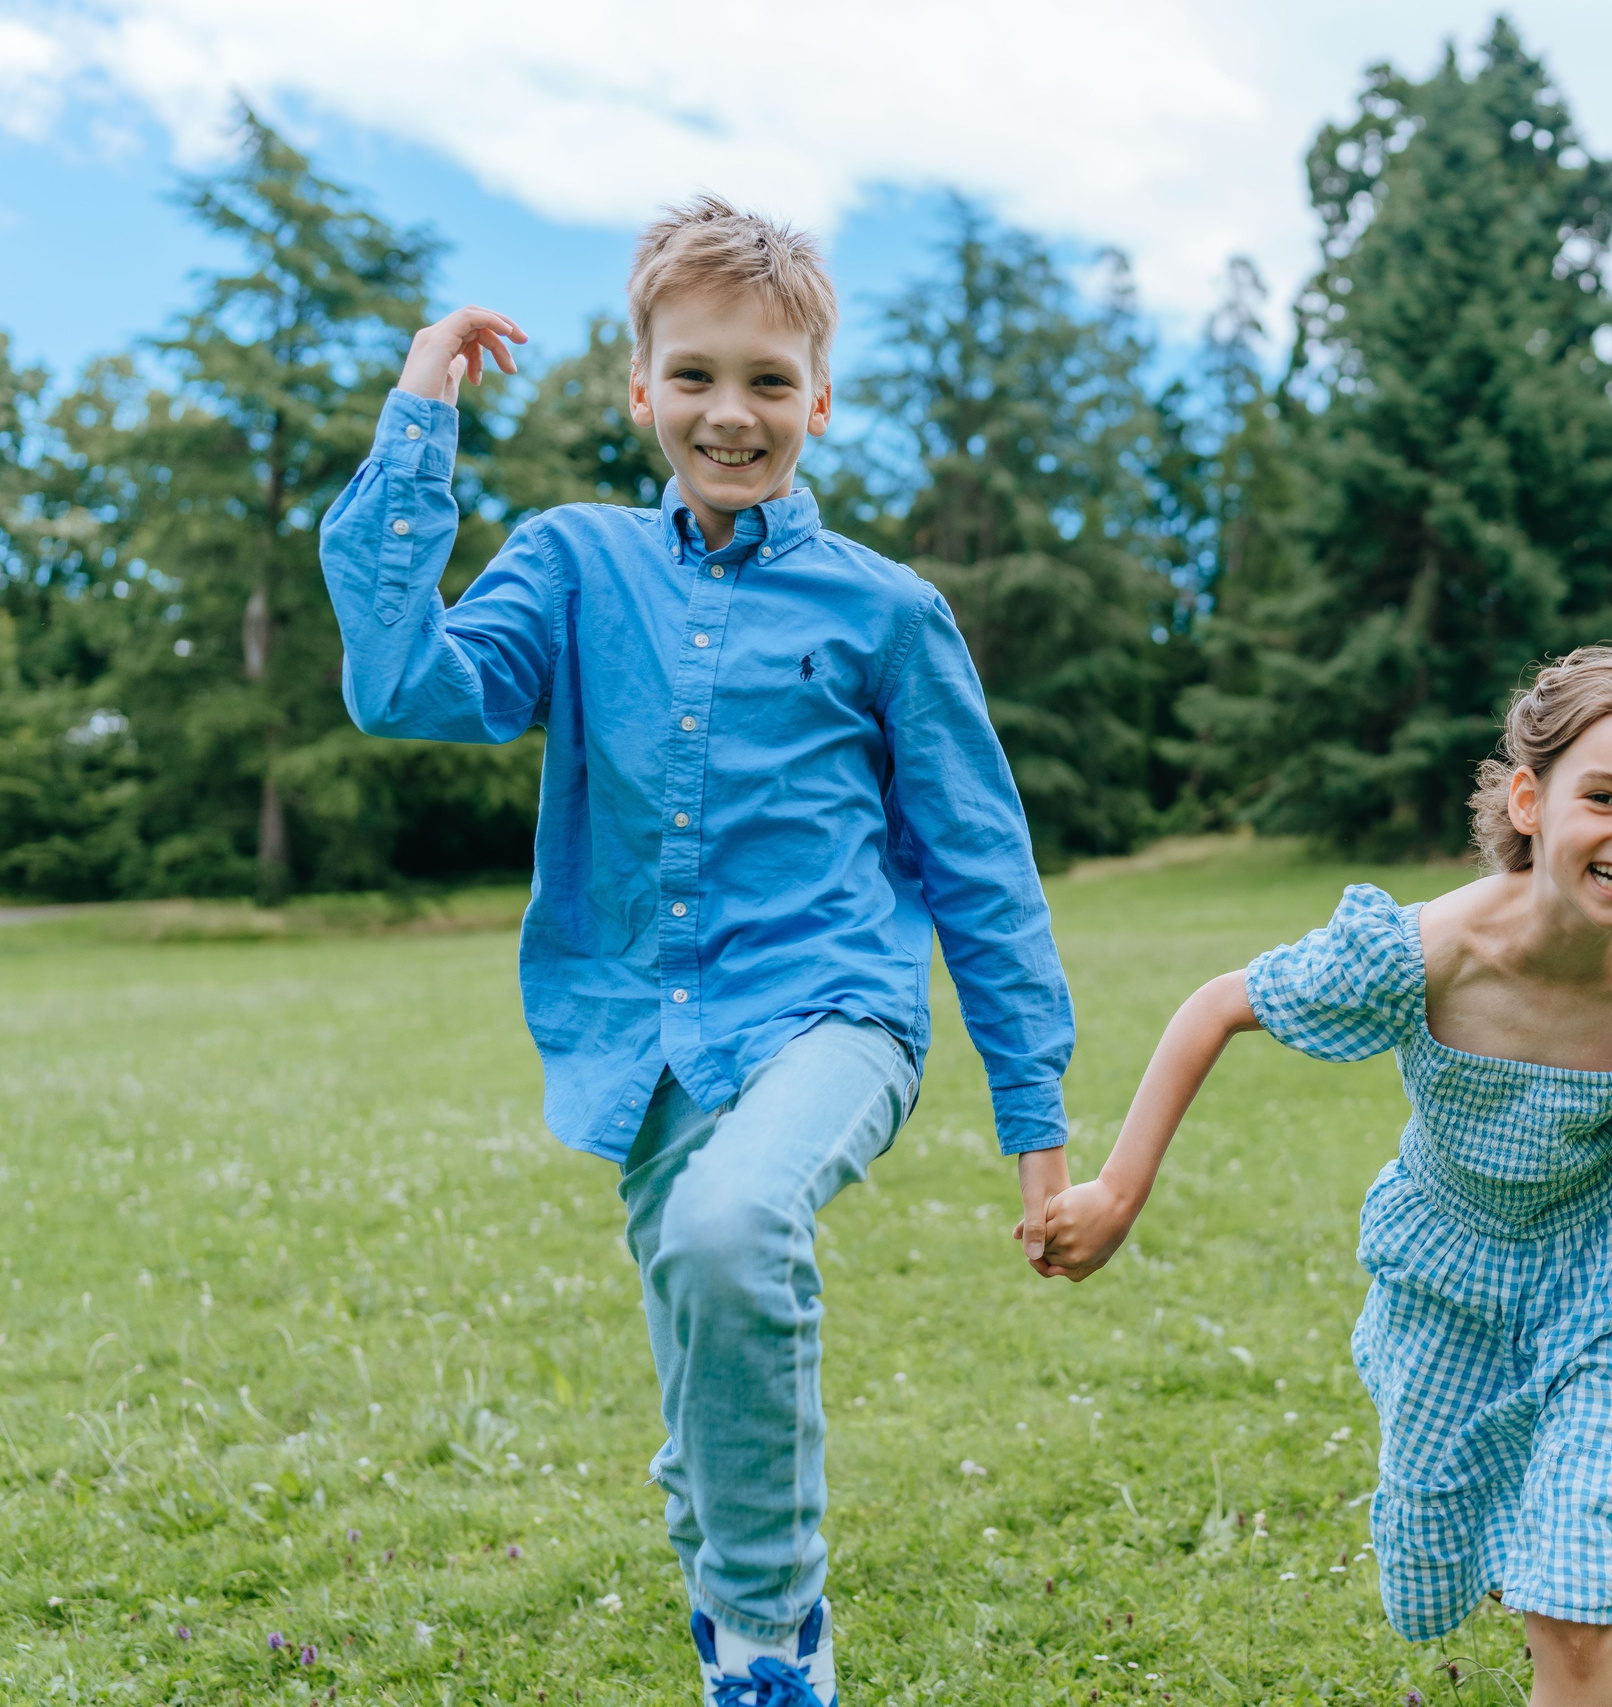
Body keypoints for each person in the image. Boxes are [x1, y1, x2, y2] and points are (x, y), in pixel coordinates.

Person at [318, 198, 1074, 1707]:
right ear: (640, 385)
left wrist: (1036, 1123)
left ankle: (771, 1645)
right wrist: (417, 423)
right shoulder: (576, 563)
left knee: (734, 1230)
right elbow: (407, 687)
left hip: (838, 1012)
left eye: (771, 382)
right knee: (702, 1344)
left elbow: (982, 871)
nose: (733, 413)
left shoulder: (887, 611)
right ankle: (731, 1576)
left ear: (819, 399)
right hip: (644, 1036)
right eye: (699, 376)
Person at [1026, 647, 1612, 1707]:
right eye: (1601, 796)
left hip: (1602, 1286)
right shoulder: (1425, 953)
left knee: (1574, 1572)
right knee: (1426, 1555)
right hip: (1443, 1274)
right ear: (1527, 798)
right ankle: (1474, 1537)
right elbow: (1218, 1007)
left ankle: (1560, 1610)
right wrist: (1117, 1191)